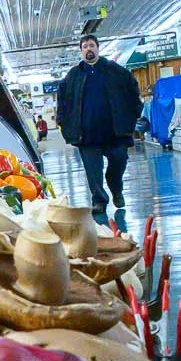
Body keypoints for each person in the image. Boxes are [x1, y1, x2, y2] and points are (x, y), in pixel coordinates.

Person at [56, 34, 142, 224]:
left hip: (115, 133)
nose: (89, 49)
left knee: (119, 162)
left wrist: (134, 114)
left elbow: (133, 91)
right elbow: (63, 100)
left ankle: (116, 188)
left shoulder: (115, 71)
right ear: (81, 51)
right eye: (85, 46)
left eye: (92, 45)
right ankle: (99, 201)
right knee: (93, 172)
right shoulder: (73, 76)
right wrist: (63, 121)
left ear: (98, 48)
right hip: (87, 135)